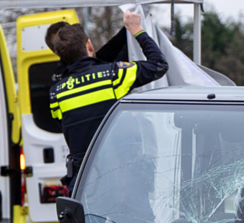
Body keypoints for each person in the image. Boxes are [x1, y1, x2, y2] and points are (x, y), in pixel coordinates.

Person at [49, 11, 168, 186]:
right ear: (89, 45)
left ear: (59, 55)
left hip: (86, 185)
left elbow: (66, 125)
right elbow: (158, 64)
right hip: (123, 179)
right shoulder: (114, 75)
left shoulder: (56, 94)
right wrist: (137, 30)